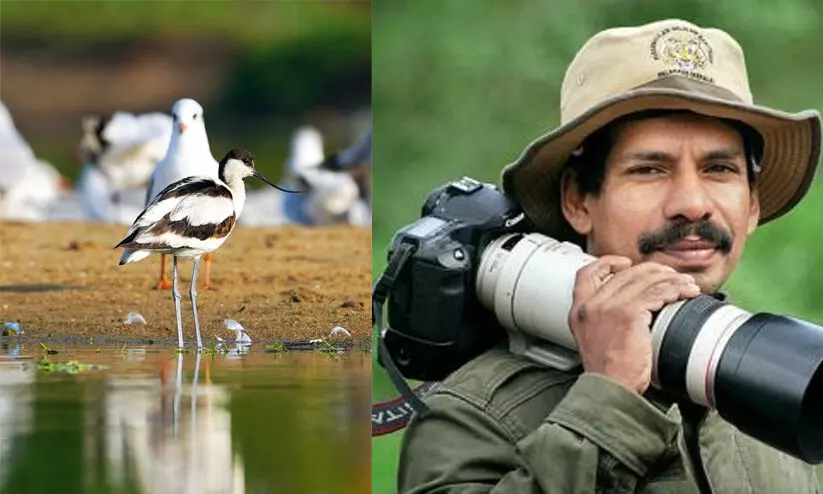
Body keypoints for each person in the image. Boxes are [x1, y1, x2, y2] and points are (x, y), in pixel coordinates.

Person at [397, 19, 822, 493]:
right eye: (649, 169)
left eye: (719, 168)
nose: (693, 202)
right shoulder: (474, 415)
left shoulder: (790, 386)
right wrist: (610, 399)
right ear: (579, 200)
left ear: (753, 204)